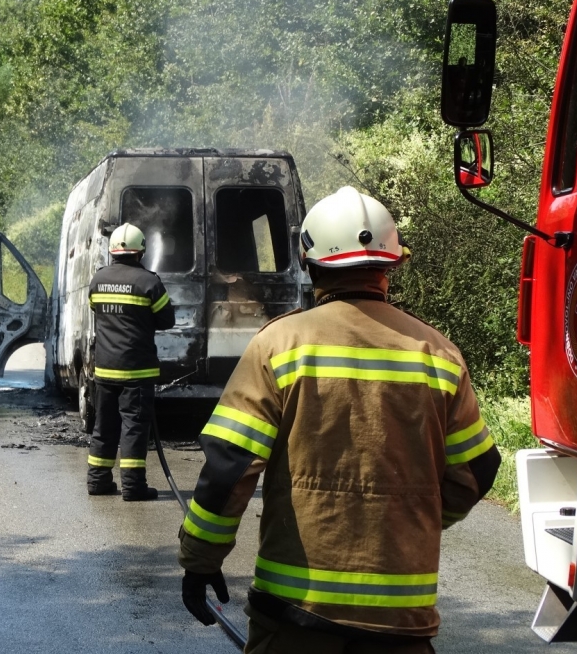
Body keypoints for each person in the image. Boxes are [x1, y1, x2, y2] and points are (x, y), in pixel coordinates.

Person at [178, 186, 501, 653]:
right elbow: (476, 471)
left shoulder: (279, 345)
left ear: (309, 264)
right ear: (392, 266)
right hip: (401, 623)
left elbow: (230, 464)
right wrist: (413, 514)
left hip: (294, 617)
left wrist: (201, 560)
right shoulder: (439, 355)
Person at [87, 222, 175, 501]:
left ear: (112, 251)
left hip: (104, 369)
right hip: (137, 371)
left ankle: (98, 481)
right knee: (134, 427)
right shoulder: (149, 282)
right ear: (141, 252)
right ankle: (133, 486)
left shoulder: (97, 280)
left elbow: (97, 310)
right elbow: (167, 320)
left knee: (104, 426)